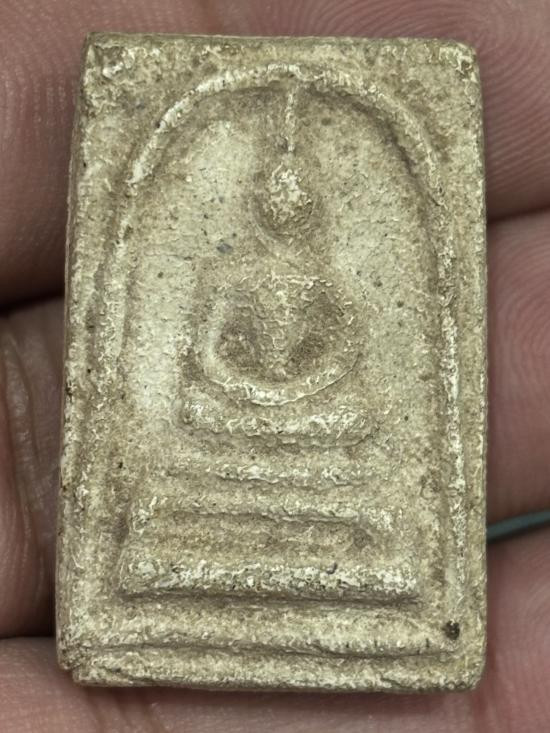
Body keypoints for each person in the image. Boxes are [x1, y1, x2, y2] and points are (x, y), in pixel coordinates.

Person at [1, 1, 549, 730]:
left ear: (310, 205)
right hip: (235, 416)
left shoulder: (327, 283)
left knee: (352, 421)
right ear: (263, 203)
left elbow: (345, 362)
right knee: (196, 421)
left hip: (309, 419)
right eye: (276, 196)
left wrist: (297, 393)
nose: (286, 207)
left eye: (298, 198)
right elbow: (205, 358)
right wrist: (251, 395)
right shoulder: (229, 276)